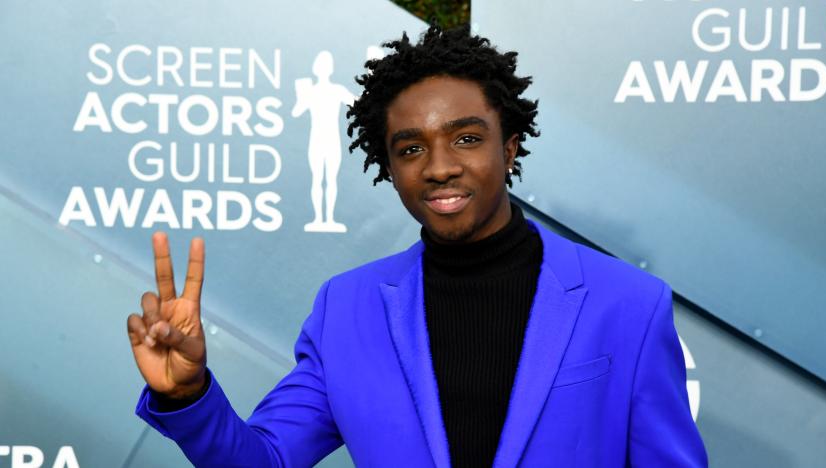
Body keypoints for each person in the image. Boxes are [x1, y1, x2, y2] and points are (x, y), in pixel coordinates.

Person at [127, 25, 708, 467]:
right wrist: (188, 395)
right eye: (410, 149)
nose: (439, 168)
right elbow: (268, 459)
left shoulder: (628, 302)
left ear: (509, 148)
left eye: (467, 138)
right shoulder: (346, 309)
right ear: (389, 168)